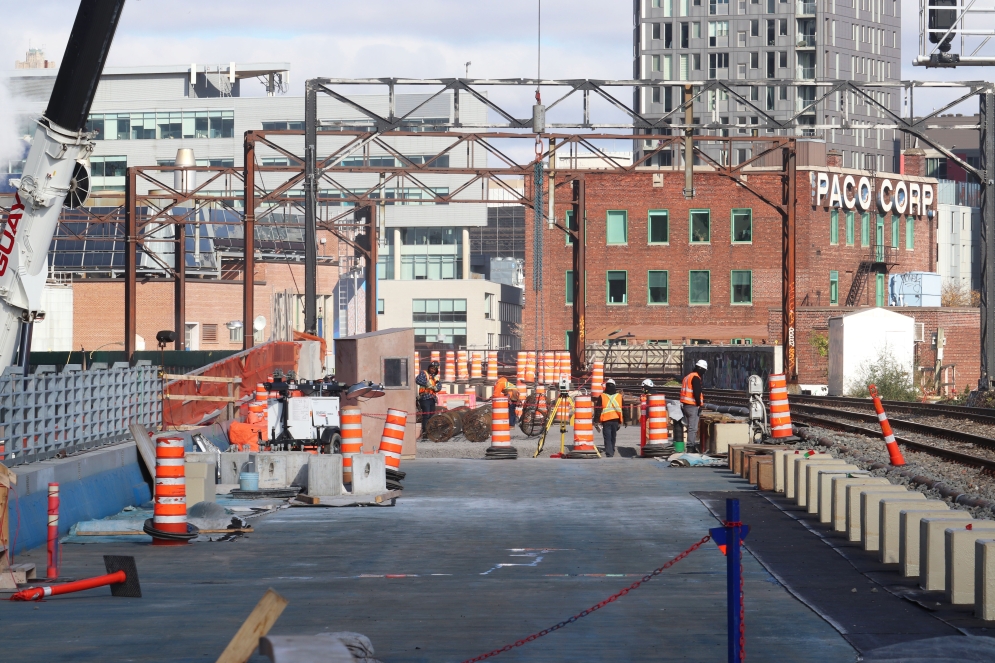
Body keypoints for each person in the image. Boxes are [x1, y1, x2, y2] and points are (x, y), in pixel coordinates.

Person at [677, 360, 707, 452]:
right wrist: (699, 404)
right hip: (692, 405)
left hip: (685, 405)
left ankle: (690, 445)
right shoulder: (695, 378)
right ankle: (691, 447)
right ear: (701, 369)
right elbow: (697, 392)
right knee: (692, 428)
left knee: (690, 426)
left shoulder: (687, 377)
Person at [415, 361, 442, 439]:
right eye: (431, 368)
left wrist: (436, 388)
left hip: (432, 398)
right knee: (426, 415)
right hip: (424, 398)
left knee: (431, 415)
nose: (432, 370)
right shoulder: (424, 373)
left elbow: (439, 386)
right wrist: (426, 383)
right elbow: (418, 380)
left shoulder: (436, 377)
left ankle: (430, 431)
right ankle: (425, 432)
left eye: (434, 369)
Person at [598, 378, 623, 458]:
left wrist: (596, 421)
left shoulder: (602, 396)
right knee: (613, 436)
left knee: (607, 437)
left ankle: (609, 453)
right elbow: (625, 409)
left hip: (606, 420)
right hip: (616, 420)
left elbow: (598, 409)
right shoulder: (619, 396)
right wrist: (626, 420)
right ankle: (612, 449)